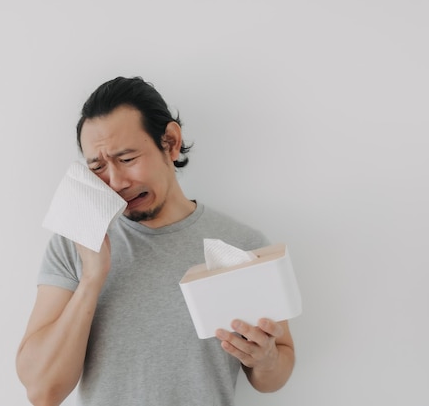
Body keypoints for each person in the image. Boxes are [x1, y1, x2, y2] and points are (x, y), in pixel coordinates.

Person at [16, 76, 295, 406]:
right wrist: (91, 278)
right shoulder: (74, 244)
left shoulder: (240, 243)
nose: (116, 181)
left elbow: (275, 372)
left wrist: (265, 360)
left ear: (171, 142)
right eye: (98, 166)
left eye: (127, 158)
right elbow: (42, 391)